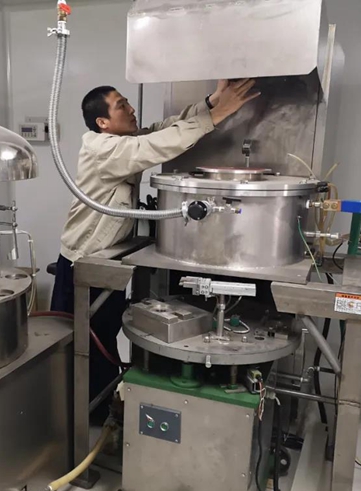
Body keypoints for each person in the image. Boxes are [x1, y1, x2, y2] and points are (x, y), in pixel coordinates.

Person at [50, 79, 259, 422]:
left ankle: (100, 413)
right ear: (103, 122)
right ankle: (74, 420)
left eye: (127, 102)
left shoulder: (122, 142)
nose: (131, 109)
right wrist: (215, 116)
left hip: (107, 259)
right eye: (121, 106)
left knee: (103, 340)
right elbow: (158, 145)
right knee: (82, 347)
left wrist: (210, 103)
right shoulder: (103, 149)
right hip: (83, 263)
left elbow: (163, 130)